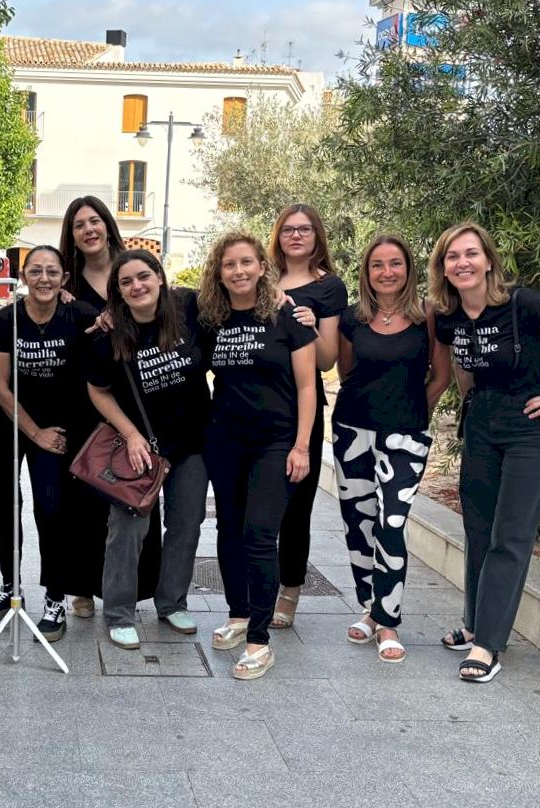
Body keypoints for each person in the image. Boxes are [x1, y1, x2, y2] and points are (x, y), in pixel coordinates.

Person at [430, 222, 540, 683]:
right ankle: (474, 624)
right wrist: (471, 404)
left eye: (470, 253)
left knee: (510, 535)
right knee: (478, 528)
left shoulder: (521, 303)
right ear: (443, 267)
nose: (462, 262)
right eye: (452, 256)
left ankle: (488, 645)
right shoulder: (448, 317)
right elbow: (463, 368)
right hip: (482, 424)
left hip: (529, 427)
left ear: (488, 261)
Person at [200, 231, 317, 680]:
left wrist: (302, 446)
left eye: (246, 262)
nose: (239, 271)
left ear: (262, 267)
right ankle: (238, 614)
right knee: (228, 529)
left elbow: (307, 386)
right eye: (229, 264)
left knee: (259, 534)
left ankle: (259, 641)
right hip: (225, 440)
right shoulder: (212, 318)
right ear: (219, 272)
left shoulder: (287, 315)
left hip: (275, 442)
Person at [332, 235, 450, 663]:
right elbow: (346, 371)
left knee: (392, 523)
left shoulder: (429, 316)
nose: (386, 272)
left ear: (408, 269)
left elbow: (441, 376)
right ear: (366, 272)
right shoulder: (352, 318)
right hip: (352, 431)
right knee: (358, 522)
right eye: (377, 265)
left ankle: (388, 621)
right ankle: (370, 607)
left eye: (395, 263)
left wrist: (414, 411)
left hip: (406, 435)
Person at [87, 250, 210, 649]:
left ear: (159, 276)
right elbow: (98, 391)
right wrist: (130, 434)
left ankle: (172, 602)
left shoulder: (189, 309)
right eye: (126, 282)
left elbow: (235, 301)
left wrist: (276, 295)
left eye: (143, 276)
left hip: (191, 443)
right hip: (138, 449)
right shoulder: (109, 334)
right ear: (118, 292)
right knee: (127, 530)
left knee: (186, 525)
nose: (137, 286)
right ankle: (119, 613)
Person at [0, 246, 98, 641]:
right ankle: (10, 587)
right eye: (35, 271)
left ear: (64, 278)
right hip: (6, 421)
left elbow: (112, 328)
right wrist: (34, 433)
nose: (44, 278)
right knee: (5, 505)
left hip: (56, 427)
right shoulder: (5, 319)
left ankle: (55, 598)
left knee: (51, 508)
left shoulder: (78, 314)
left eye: (52, 271)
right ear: (23, 276)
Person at [56, 196, 162, 618]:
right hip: (85, 397)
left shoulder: (132, 269)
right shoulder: (67, 283)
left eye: (95, 221)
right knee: (86, 494)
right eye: (79, 224)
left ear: (107, 225)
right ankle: (84, 585)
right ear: (71, 234)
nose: (88, 230)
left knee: (135, 490)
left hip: (137, 399)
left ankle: (134, 587)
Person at [267, 204, 347, 630]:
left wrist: (311, 325)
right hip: (258, 404)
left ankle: (290, 589)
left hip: (303, 406)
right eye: (288, 229)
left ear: (317, 236)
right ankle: (258, 584)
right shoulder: (263, 279)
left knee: (297, 505)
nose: (296, 236)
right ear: (277, 236)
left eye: (305, 229)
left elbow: (328, 359)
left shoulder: (329, 287)